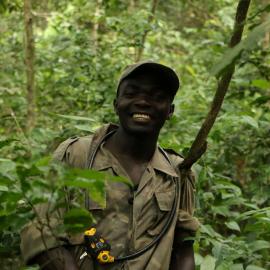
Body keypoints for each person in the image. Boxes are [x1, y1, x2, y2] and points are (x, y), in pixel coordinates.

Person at [20, 61, 199, 270]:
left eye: (157, 97)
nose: (143, 102)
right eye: (132, 93)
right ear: (116, 104)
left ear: (170, 111)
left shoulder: (178, 172)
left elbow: (184, 250)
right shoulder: (76, 155)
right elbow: (40, 233)